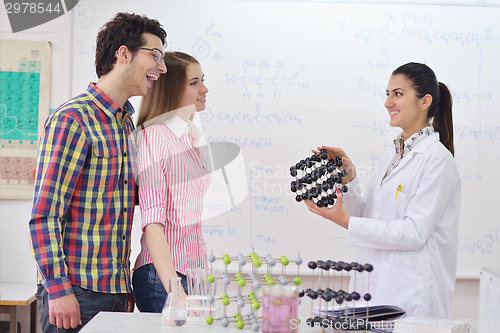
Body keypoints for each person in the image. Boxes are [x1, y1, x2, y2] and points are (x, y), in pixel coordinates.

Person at [29, 13, 167, 332]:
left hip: (115, 291)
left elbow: (118, 205)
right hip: (75, 292)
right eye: (155, 56)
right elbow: (45, 215)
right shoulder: (72, 119)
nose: (161, 67)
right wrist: (59, 290)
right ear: (124, 54)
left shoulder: (123, 123)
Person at [305, 62, 460, 319]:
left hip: (409, 296)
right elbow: (371, 216)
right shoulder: (392, 153)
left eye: (398, 94)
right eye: (387, 94)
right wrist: (349, 175)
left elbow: (414, 233)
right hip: (372, 286)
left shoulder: (437, 160)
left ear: (425, 102)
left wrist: (346, 222)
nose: (388, 103)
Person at [132, 52, 211, 313]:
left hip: (189, 275)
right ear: (172, 89)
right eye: (194, 83)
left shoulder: (189, 138)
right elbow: (153, 222)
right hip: (163, 278)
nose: (204, 89)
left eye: (202, 81)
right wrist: (175, 290)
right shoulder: (154, 137)